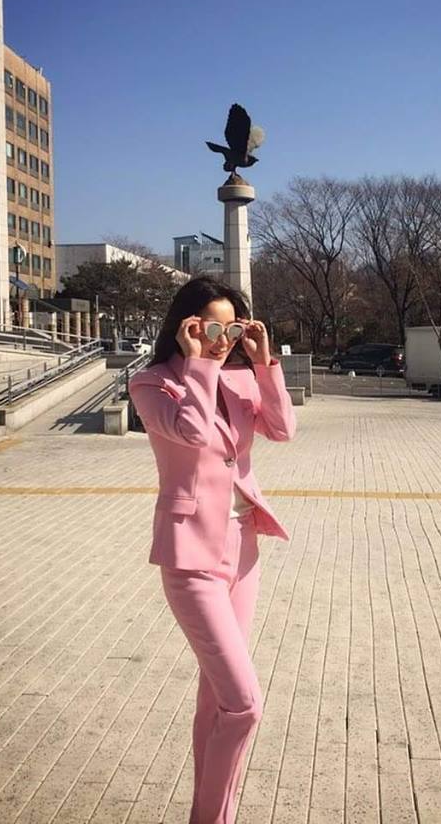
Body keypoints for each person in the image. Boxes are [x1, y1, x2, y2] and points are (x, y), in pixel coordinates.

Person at [128, 276, 296, 824]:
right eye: (213, 328)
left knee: (216, 699)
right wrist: (199, 365)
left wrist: (265, 365)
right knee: (244, 705)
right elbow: (193, 433)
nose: (224, 340)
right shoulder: (152, 383)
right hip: (190, 558)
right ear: (187, 326)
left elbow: (283, 430)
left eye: (234, 329)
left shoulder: (241, 379)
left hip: (242, 551)